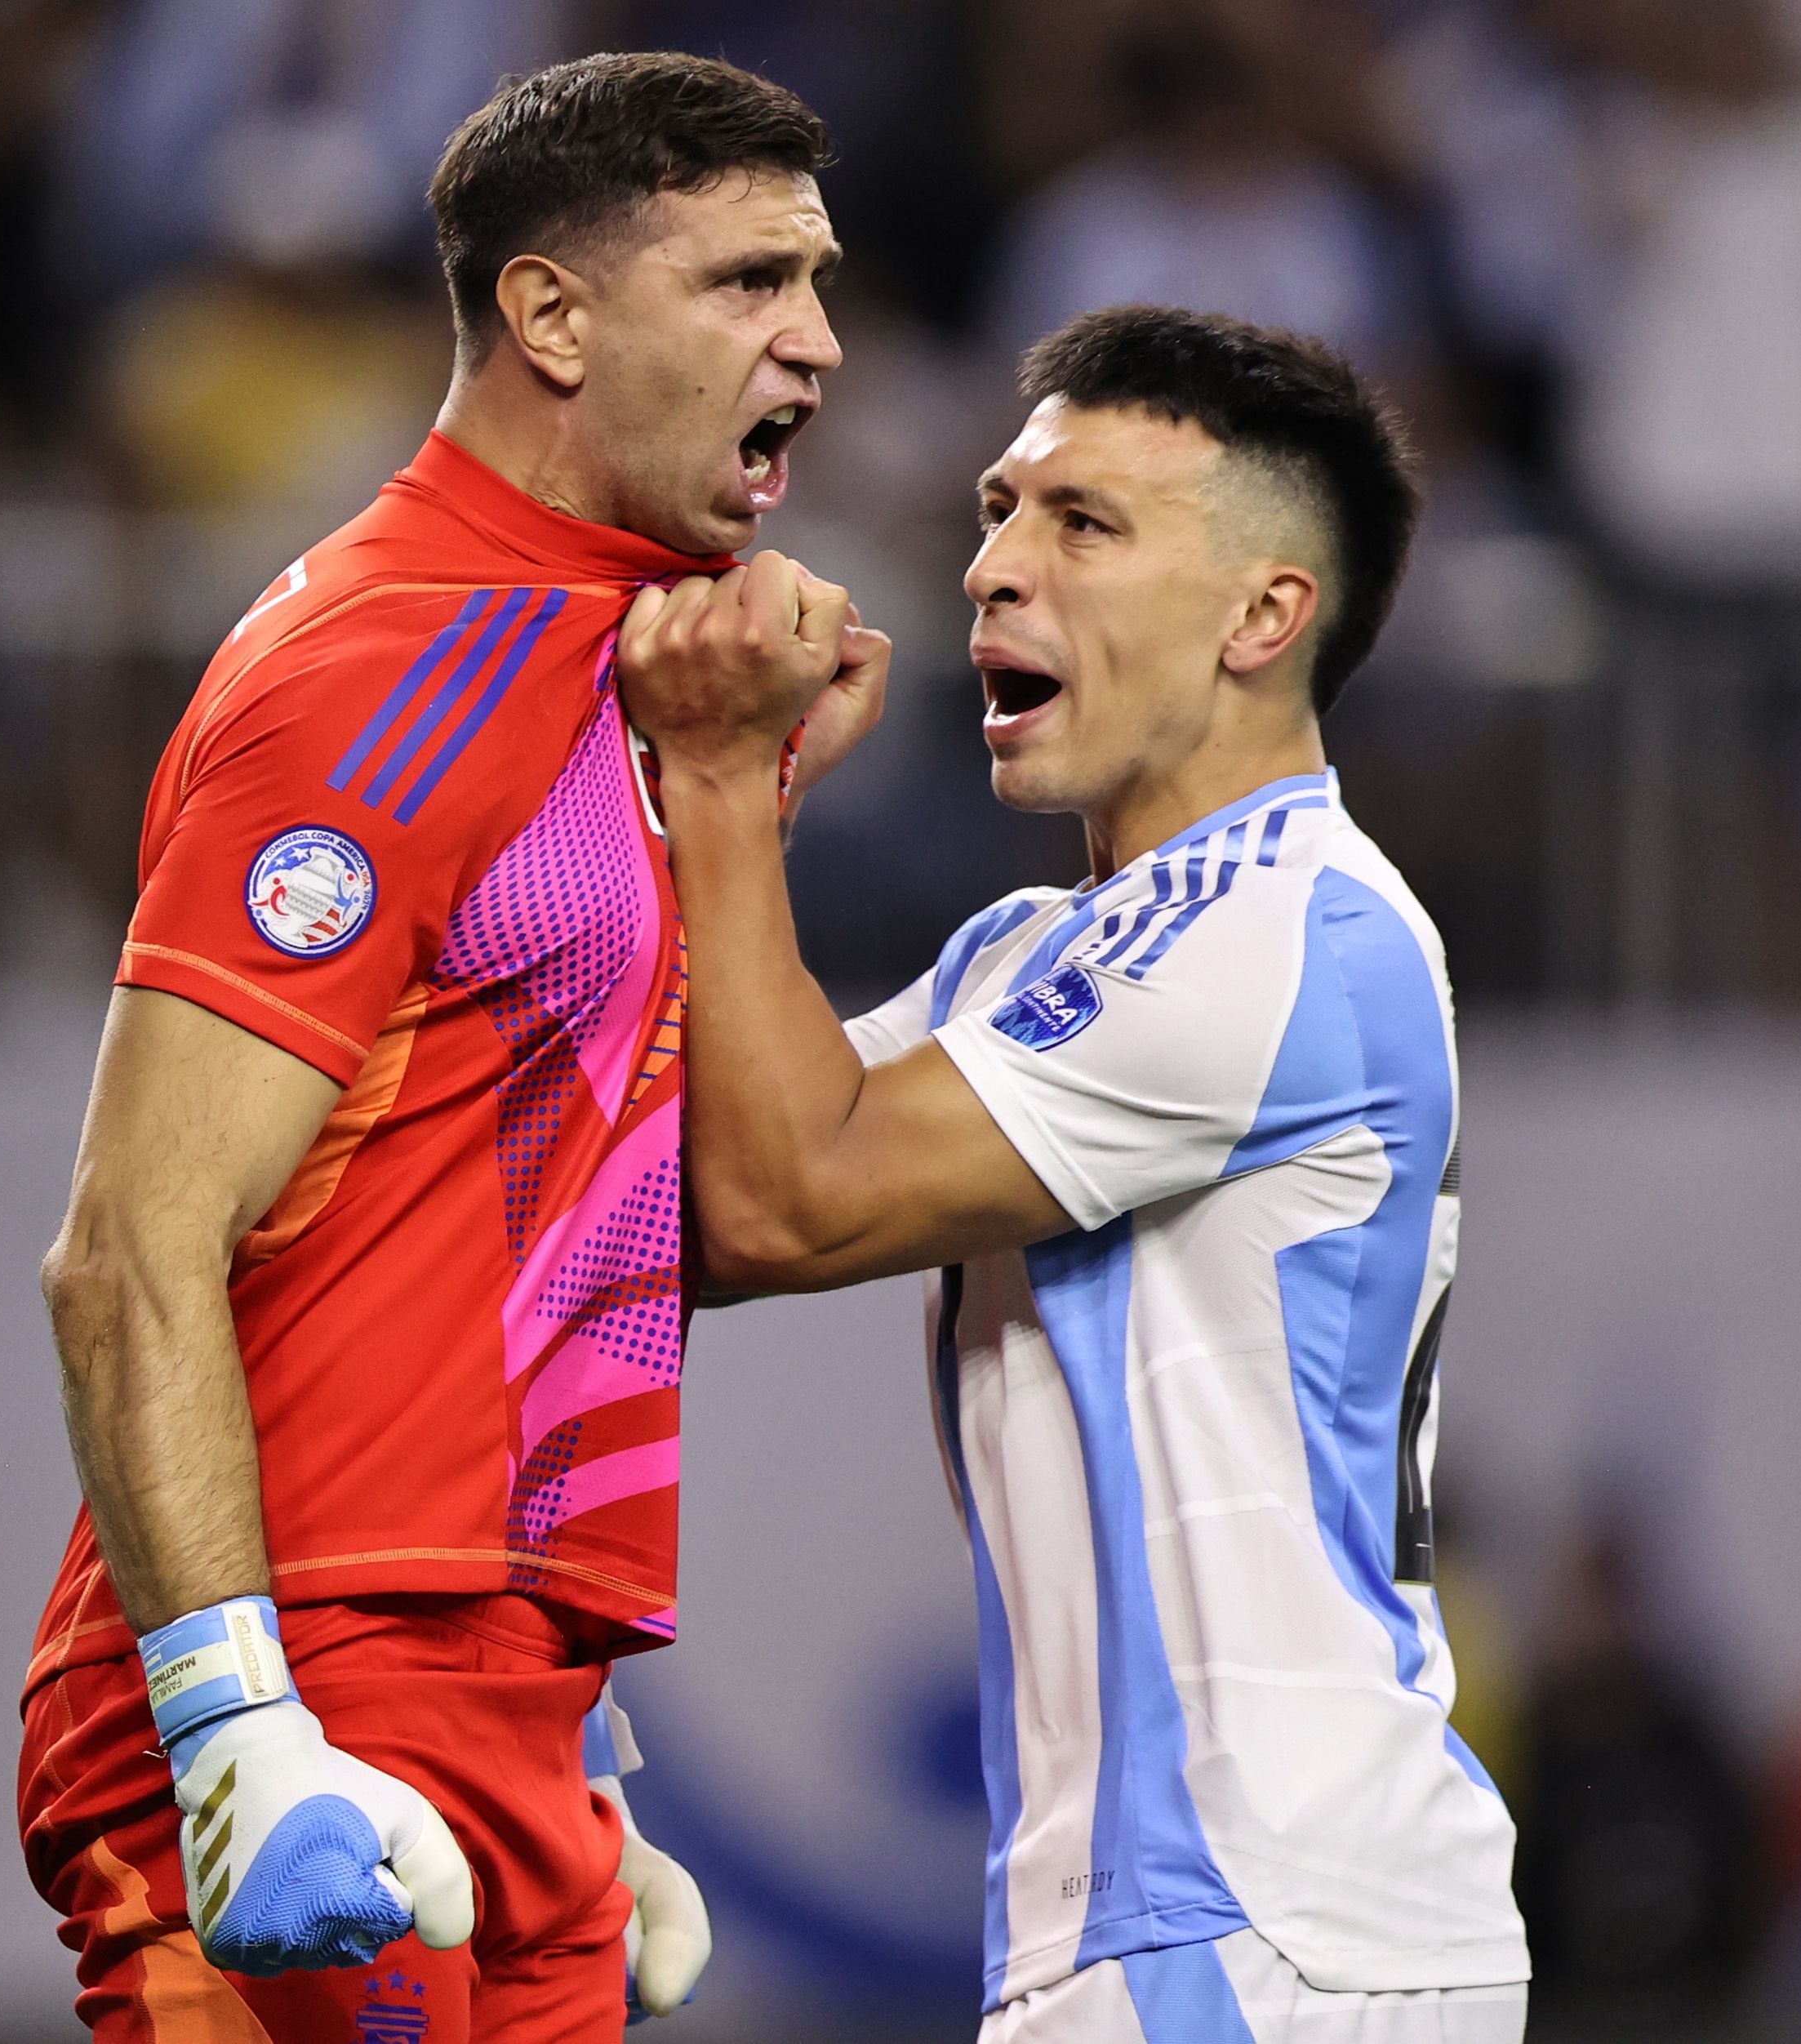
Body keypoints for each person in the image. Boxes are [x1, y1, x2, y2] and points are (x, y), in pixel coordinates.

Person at [16, 51, 857, 2044]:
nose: (816, 344)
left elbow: (554, 1217)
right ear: (550, 315)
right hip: (308, 1679)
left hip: (509, 1700)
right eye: (746, 282)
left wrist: (575, 1725)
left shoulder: (634, 676)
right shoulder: (386, 665)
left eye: (819, 284)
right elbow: (127, 1246)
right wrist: (237, 1732)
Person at [615, 305, 1531, 2042]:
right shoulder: (1038, 948)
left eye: (1081, 523)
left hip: (1266, 1928)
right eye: (997, 507)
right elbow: (673, 1192)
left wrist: (723, 782)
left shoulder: (1281, 925)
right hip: (1183, 1926)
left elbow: (782, 1203)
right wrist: (738, 810)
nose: (992, 567)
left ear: (1267, 614)